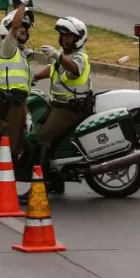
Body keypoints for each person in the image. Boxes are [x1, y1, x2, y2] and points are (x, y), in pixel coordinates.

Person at [0, 0, 39, 203]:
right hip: (9, 103)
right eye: (21, 26)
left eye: (26, 28)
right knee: (8, 146)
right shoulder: (7, 47)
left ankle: (3, 186)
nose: (24, 29)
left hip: (18, 104)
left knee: (15, 145)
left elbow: (26, 82)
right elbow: (14, 26)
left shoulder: (20, 54)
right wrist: (23, 2)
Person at [32, 17, 93, 195]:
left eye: (70, 36)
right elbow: (53, 69)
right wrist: (34, 77)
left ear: (78, 38)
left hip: (71, 108)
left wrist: (58, 56)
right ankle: (55, 182)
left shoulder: (80, 56)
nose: (65, 39)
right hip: (60, 104)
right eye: (63, 35)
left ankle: (39, 187)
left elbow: (74, 69)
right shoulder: (65, 54)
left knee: (43, 138)